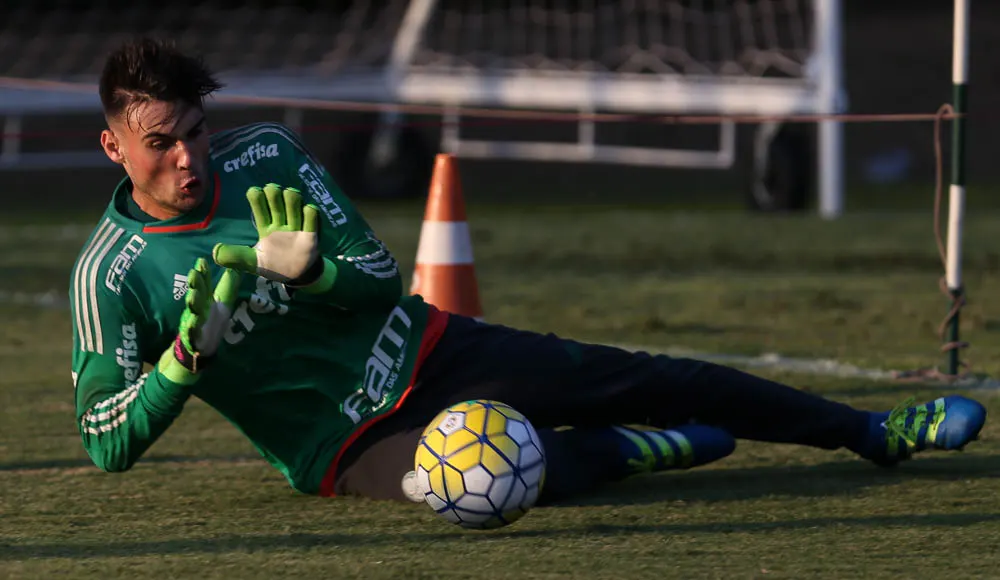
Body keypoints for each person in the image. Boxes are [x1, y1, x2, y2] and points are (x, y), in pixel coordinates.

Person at [71, 37, 986, 507]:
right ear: (115, 147)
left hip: (428, 349)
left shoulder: (266, 153)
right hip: (338, 445)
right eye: (163, 144)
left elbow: (383, 275)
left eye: (194, 132)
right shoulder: (111, 279)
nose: (190, 158)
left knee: (653, 376)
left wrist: (315, 280)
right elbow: (106, 444)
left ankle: (871, 430)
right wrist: (183, 359)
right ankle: (625, 451)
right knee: (479, 485)